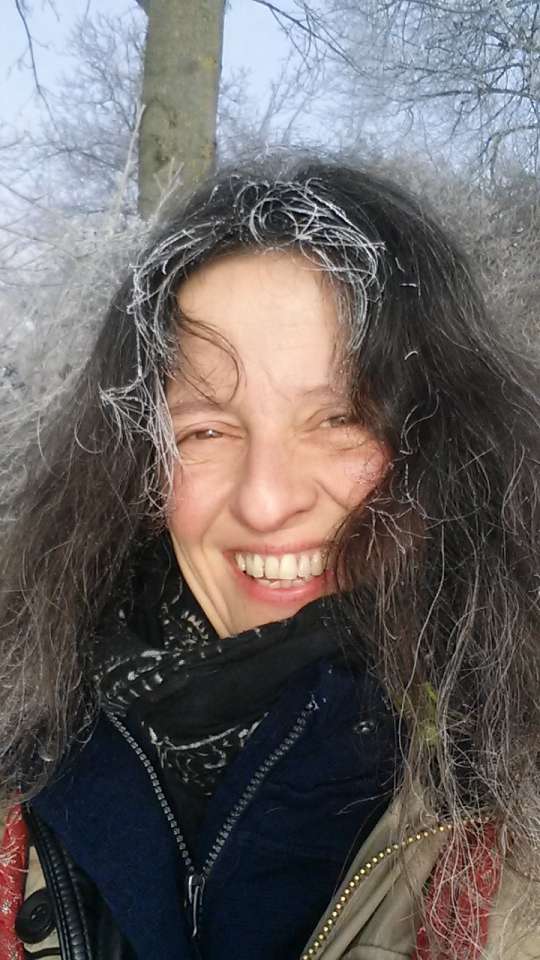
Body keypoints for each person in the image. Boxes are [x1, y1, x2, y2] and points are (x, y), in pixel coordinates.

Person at [0, 156, 539, 960]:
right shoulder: (26, 744)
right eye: (207, 430)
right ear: (133, 462)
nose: (265, 501)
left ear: (444, 445)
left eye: (341, 419)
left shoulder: (515, 796)